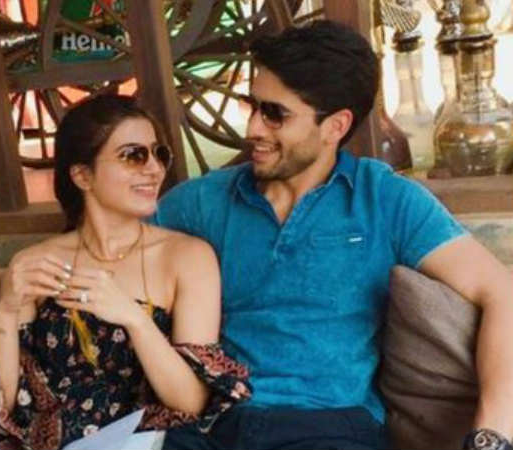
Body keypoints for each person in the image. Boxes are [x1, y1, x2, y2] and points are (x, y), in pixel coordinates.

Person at [153, 20, 513, 450]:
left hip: (329, 427)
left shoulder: (383, 199)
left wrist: (491, 438)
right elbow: (110, 248)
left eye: (275, 114)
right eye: (252, 106)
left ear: (336, 126)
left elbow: (501, 292)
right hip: (213, 427)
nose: (253, 129)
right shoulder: (203, 202)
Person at [0, 94, 250, 450]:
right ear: (82, 175)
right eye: (133, 155)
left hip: (137, 439)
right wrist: (5, 311)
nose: (154, 168)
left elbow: (191, 402)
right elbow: (2, 408)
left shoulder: (187, 258)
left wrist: (133, 318)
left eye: (159, 154)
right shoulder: (36, 263)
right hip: (41, 438)